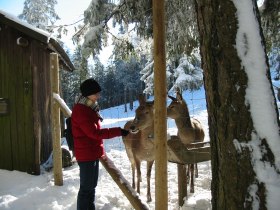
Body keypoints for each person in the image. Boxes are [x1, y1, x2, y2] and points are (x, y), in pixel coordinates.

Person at [71, 78, 129, 210]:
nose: (98, 96)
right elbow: (94, 133)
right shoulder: (81, 110)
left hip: (91, 152)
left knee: (90, 187)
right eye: (96, 93)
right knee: (86, 189)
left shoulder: (88, 108)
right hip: (86, 155)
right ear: (88, 94)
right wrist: (118, 131)